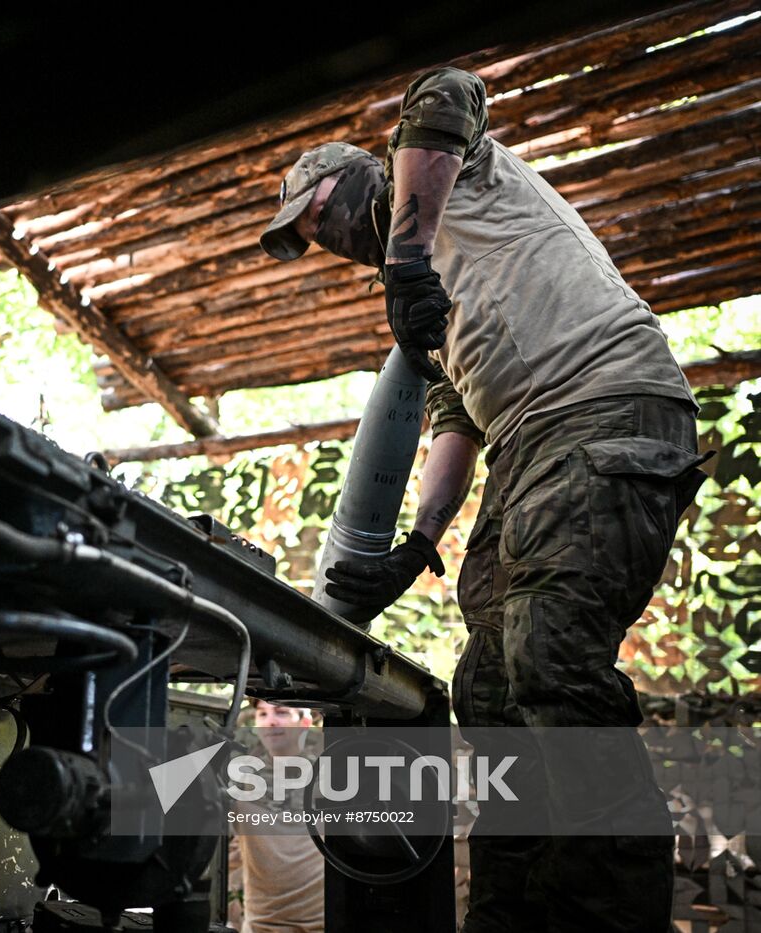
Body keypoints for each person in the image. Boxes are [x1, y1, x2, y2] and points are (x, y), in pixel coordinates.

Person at [259, 67, 712, 933]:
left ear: (361, 174)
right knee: (492, 684)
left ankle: (609, 907)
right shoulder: (424, 308)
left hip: (606, 402)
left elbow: (447, 89)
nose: (322, 235)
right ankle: (512, 910)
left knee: (550, 653)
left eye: (317, 212)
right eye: (308, 235)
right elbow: (455, 422)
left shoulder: (445, 173)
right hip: (528, 443)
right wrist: (418, 537)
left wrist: (402, 253)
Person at [228, 700, 325, 933]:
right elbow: (230, 855)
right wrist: (231, 911)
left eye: (281, 713)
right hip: (261, 926)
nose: (270, 721)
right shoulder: (243, 783)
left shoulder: (330, 779)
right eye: (262, 714)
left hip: (321, 925)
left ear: (304, 723)